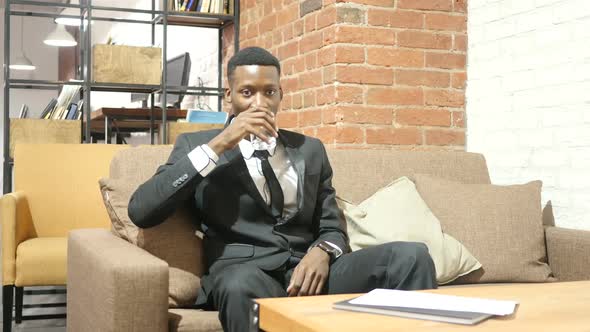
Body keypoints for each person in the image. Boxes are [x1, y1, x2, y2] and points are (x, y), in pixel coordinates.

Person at [128, 46, 437, 332]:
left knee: (412, 256)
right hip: (247, 276)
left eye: (269, 92)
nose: (259, 103)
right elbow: (142, 210)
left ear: (280, 95)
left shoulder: (310, 150)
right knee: (238, 285)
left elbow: (332, 229)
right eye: (247, 93)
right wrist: (222, 143)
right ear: (229, 96)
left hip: (313, 276)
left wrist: (323, 252)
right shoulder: (197, 146)